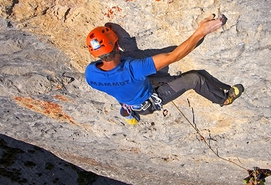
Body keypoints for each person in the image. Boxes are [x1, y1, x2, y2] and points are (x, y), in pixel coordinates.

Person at [85, 14, 244, 124]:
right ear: (117, 45)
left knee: (175, 79)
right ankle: (224, 99)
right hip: (149, 100)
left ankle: (129, 111)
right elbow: (173, 56)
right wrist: (200, 32)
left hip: (134, 95)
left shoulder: (91, 75)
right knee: (195, 78)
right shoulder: (134, 69)